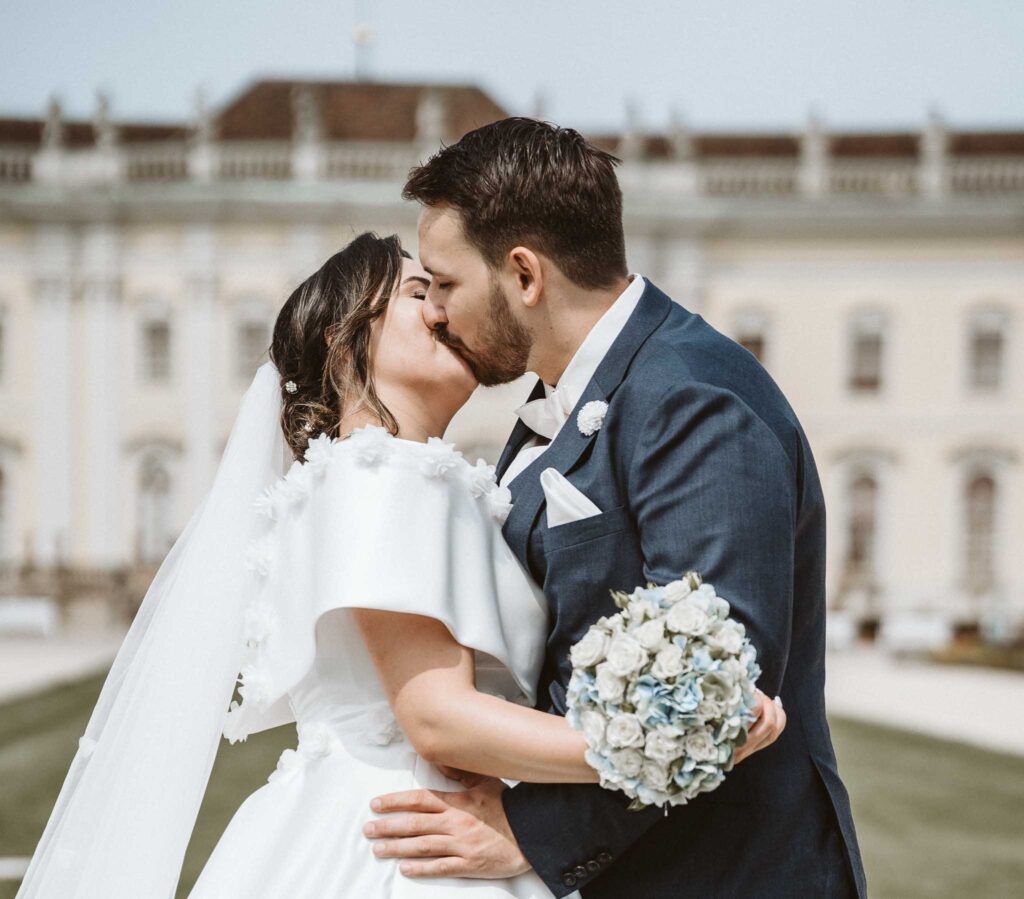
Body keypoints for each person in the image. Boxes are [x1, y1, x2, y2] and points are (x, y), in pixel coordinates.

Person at [16, 232, 784, 899]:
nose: (447, 308)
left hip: (418, 823)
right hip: (400, 840)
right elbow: (436, 716)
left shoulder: (404, 474)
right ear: (347, 340)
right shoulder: (377, 473)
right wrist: (672, 742)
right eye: (422, 291)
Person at [365, 118, 868, 898]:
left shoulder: (691, 397)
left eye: (448, 282)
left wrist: (529, 831)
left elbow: (711, 685)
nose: (436, 312)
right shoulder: (563, 398)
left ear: (525, 276)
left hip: (728, 875)